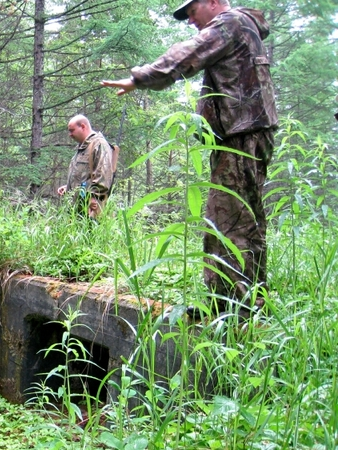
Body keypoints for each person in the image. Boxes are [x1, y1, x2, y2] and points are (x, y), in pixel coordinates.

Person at [101, 0, 278, 317]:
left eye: (192, 11)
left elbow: (189, 53)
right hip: (244, 133)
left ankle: (236, 310)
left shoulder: (230, 22)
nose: (191, 21)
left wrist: (141, 77)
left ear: (212, 2)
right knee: (240, 219)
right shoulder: (242, 27)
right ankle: (234, 303)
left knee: (228, 221)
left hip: (242, 135)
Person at [56, 115, 114, 219]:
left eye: (72, 130)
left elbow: (103, 174)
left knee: (91, 234)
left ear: (83, 126)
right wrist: (69, 187)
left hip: (91, 209)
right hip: (78, 209)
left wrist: (94, 197)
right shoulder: (83, 147)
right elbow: (85, 175)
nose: (70, 134)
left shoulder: (99, 144)